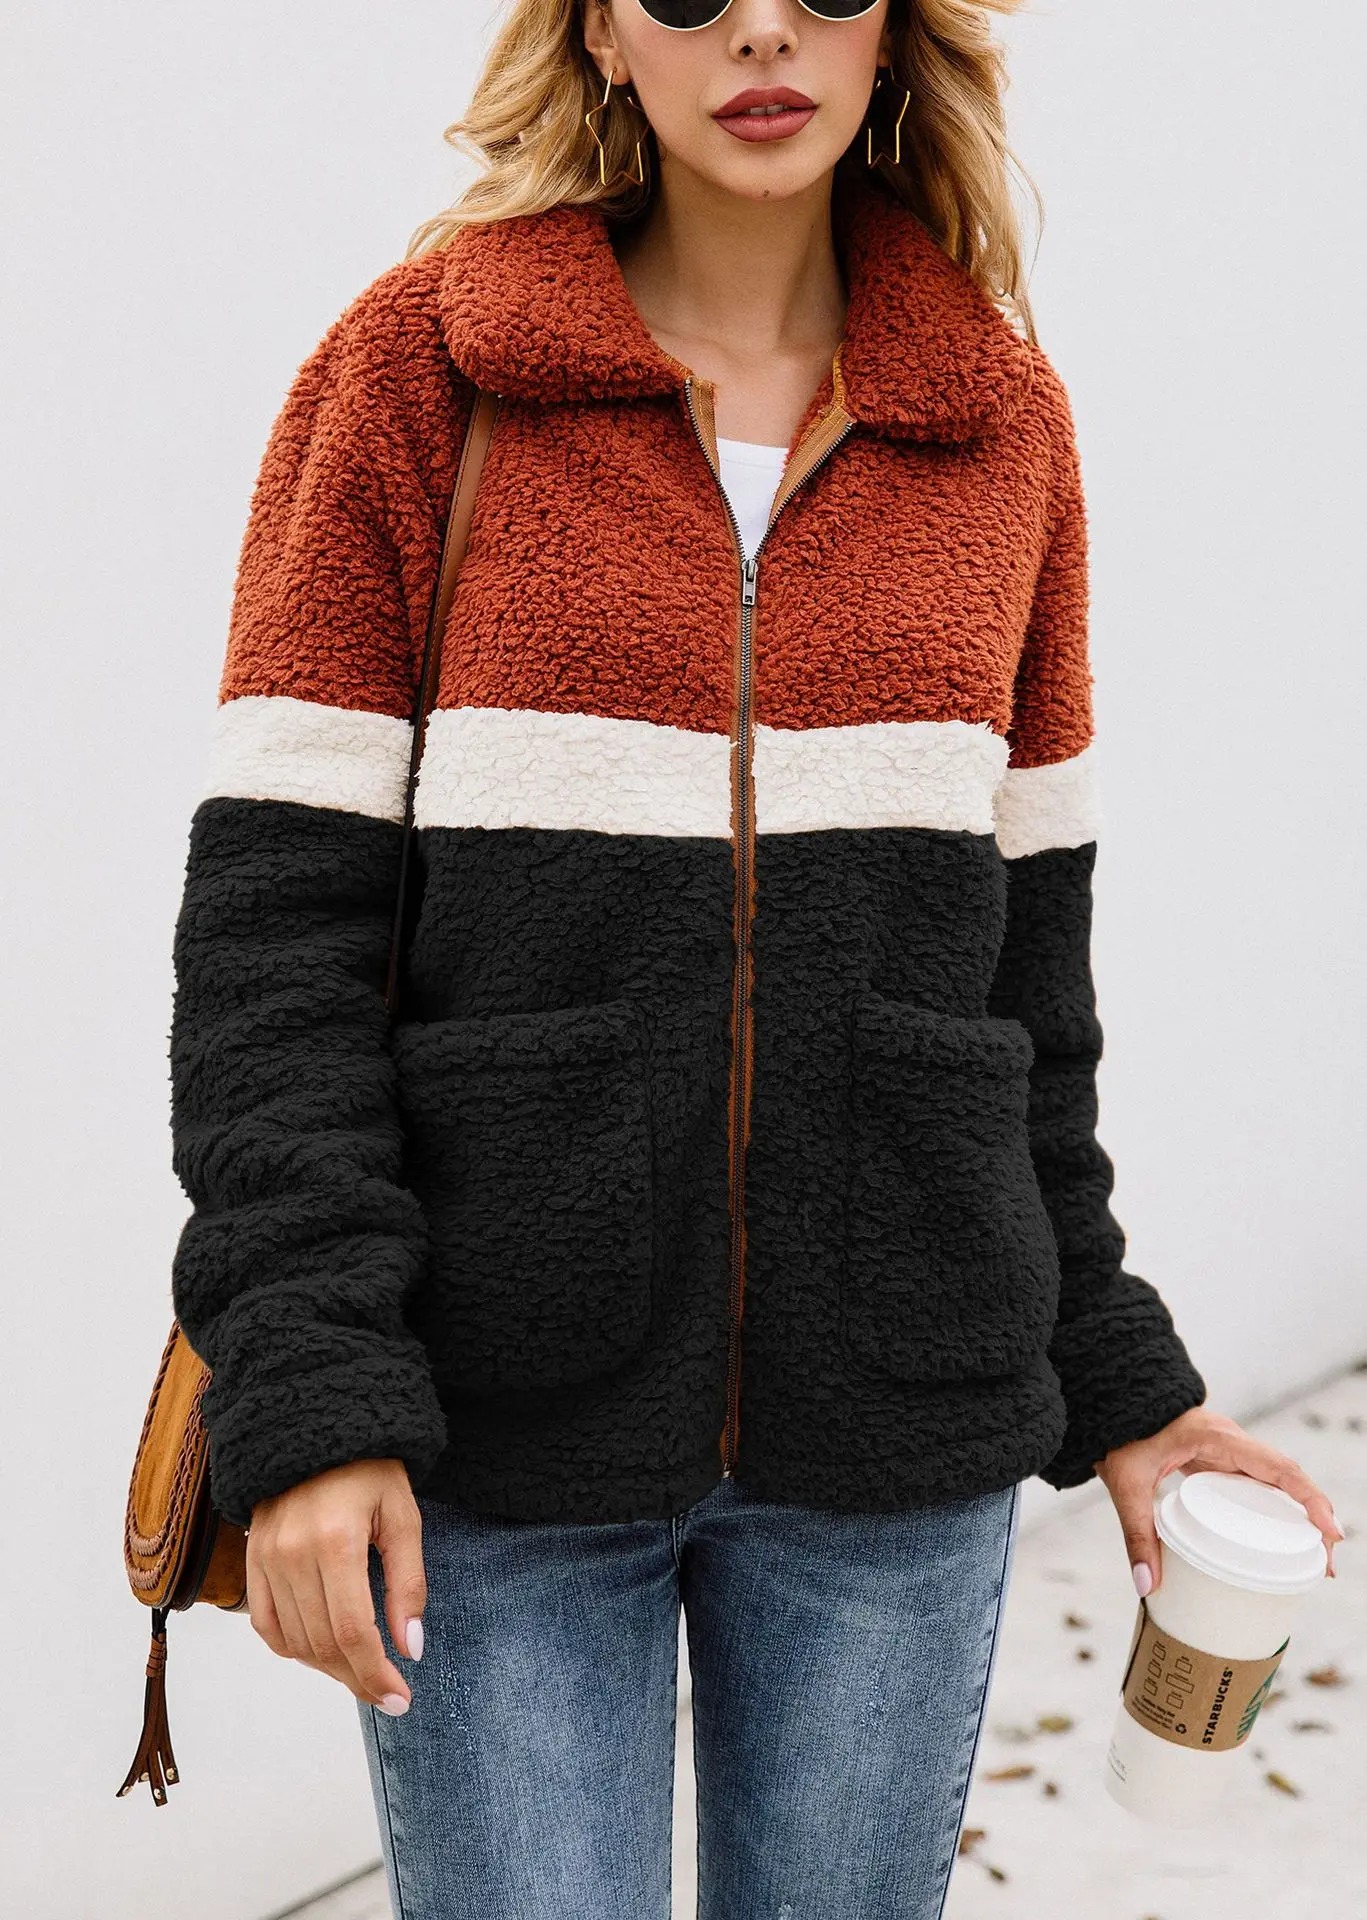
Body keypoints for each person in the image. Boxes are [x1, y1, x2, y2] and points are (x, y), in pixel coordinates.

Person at [165, 0, 1341, 1912]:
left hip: (896, 1436)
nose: (762, 26)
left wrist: (1117, 1375)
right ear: (599, 34)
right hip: (498, 1431)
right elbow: (271, 950)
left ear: (895, 33)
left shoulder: (994, 421)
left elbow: (1021, 993)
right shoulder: (419, 375)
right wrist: (308, 1393)